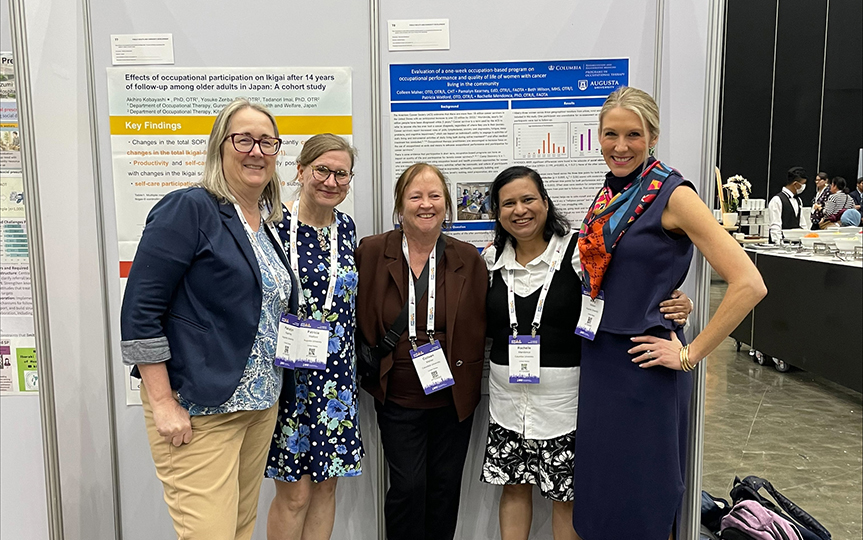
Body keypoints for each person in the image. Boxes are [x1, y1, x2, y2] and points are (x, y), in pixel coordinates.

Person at [572, 86, 766, 540]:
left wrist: (689, 354)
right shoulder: (612, 191)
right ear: (598, 137)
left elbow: (749, 283)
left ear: (653, 136)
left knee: (641, 495)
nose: (620, 146)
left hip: (643, 365)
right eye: (611, 134)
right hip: (601, 358)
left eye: (633, 135)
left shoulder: (673, 194)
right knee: (602, 493)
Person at [478, 166, 692, 540]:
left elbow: (631, 291)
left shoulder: (580, 253)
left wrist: (675, 304)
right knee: (513, 487)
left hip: (567, 404)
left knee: (567, 496)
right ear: (497, 212)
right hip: (507, 403)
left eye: (528, 199)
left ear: (545, 202)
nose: (519, 210)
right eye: (508, 203)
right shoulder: (490, 261)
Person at [120, 98, 300, 540]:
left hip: (259, 407)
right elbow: (141, 310)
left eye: (267, 142)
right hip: (199, 408)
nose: (256, 151)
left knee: (239, 530)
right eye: (243, 139)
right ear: (220, 147)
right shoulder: (191, 208)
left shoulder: (265, 223)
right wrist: (162, 402)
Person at [355, 163, 487, 540]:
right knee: (408, 488)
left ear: (447, 204)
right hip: (397, 397)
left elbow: (484, 317)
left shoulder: (468, 258)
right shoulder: (372, 252)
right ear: (400, 205)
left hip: (452, 398)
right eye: (416, 196)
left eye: (434, 196)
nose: (425, 205)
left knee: (445, 490)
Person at [265, 134, 363, 540]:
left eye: (341, 173)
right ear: (301, 171)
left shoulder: (347, 229)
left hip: (337, 377)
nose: (331, 181)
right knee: (295, 495)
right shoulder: (271, 224)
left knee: (326, 486)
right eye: (322, 170)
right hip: (289, 375)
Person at [767, 166, 808, 243]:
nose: (804, 187)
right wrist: (778, 243)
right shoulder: (777, 200)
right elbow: (775, 226)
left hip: (796, 244)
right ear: (795, 184)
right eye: (803, 184)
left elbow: (802, 224)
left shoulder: (798, 200)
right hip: (782, 243)